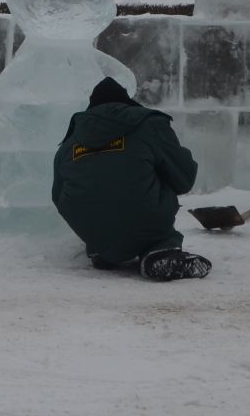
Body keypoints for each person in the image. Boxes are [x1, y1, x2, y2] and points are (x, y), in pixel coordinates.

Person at [51, 77, 211, 281]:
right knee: (158, 184)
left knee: (95, 202)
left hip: (91, 229)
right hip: (145, 219)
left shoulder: (69, 142)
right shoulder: (149, 125)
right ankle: (161, 250)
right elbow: (184, 178)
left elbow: (58, 196)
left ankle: (104, 251)